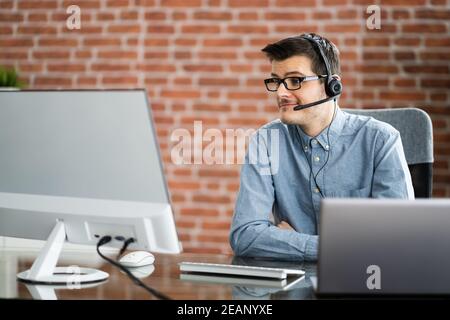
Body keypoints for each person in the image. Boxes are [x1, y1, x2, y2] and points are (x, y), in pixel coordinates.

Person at [229, 33, 414, 262]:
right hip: (294, 289)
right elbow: (246, 236)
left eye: (295, 81)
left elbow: (397, 238)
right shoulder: (267, 141)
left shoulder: (380, 140)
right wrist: (333, 248)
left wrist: (284, 242)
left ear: (331, 85)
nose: (280, 93)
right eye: (276, 81)